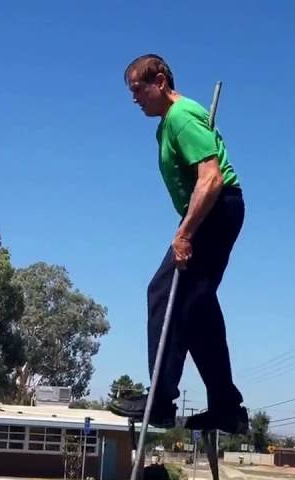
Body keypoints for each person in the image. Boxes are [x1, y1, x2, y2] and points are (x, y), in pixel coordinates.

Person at [110, 54, 249, 435]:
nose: (135, 98)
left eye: (138, 89)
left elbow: (211, 178)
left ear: (160, 82)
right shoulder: (168, 124)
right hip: (212, 212)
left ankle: (160, 400)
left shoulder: (182, 116)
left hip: (216, 210)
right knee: (197, 310)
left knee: (163, 292)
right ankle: (226, 408)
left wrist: (185, 232)